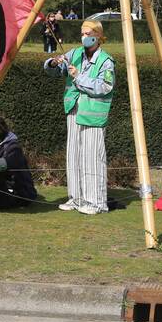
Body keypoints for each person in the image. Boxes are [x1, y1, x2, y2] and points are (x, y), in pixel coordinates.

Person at [43, 19, 114, 215]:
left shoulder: (105, 61)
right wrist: (53, 62)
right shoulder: (74, 53)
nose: (83, 37)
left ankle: (96, 203)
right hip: (73, 110)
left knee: (92, 158)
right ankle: (76, 198)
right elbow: (54, 70)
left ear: (98, 36)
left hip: (93, 115)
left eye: (87, 34)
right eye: (82, 34)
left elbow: (104, 87)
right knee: (73, 156)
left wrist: (79, 77)